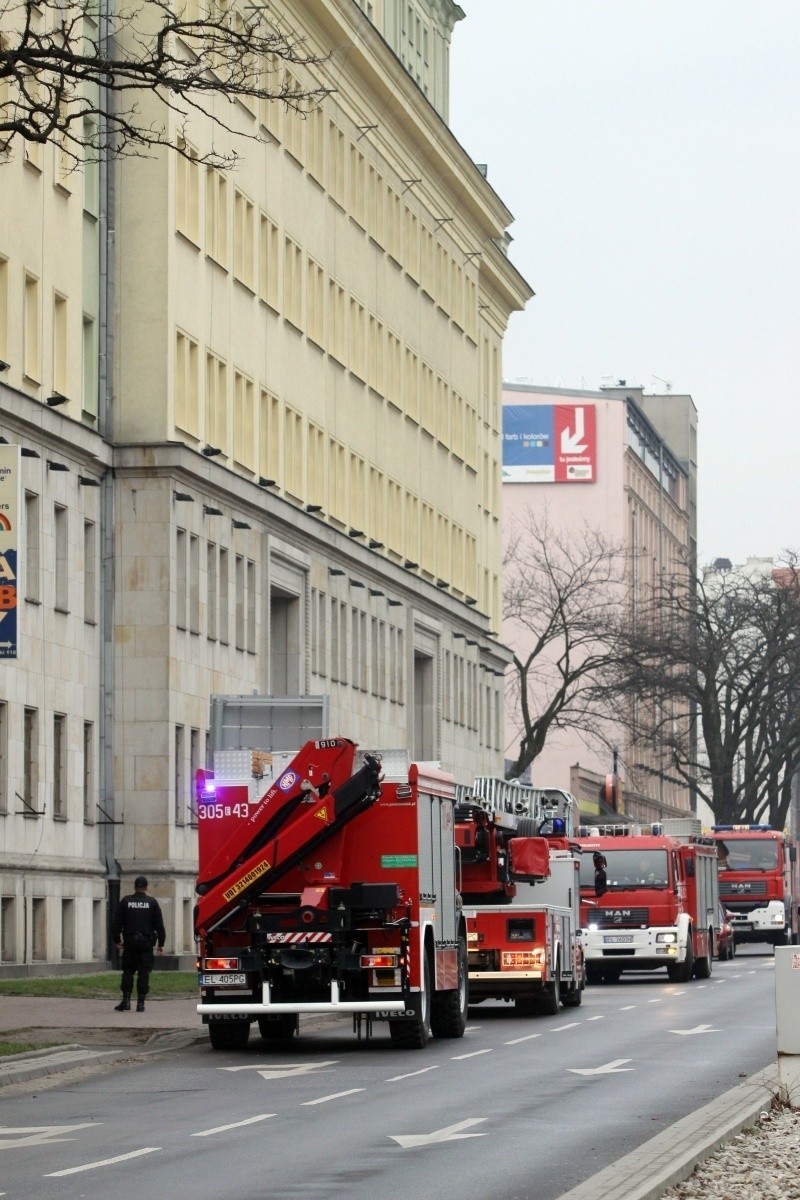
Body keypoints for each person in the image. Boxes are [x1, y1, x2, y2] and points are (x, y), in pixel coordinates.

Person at [111, 876, 166, 1012]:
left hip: (130, 943)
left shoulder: (126, 901)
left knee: (128, 971)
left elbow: (116, 924)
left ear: (134, 887)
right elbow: (159, 925)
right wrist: (161, 944)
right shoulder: (152, 903)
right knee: (144, 973)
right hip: (146, 944)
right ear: (146, 887)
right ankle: (141, 1004)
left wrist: (117, 940)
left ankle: (126, 1001)